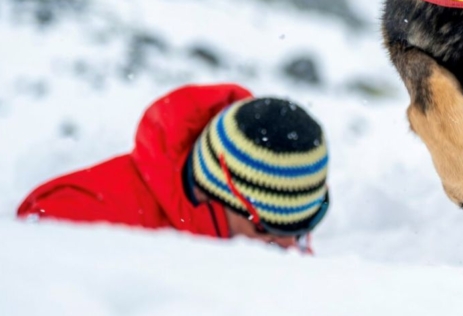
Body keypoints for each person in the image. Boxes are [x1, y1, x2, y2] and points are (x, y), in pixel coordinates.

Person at [18, 84, 329, 250]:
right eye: (268, 232)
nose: (293, 249)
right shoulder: (76, 218)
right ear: (215, 193)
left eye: (305, 228)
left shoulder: (278, 230)